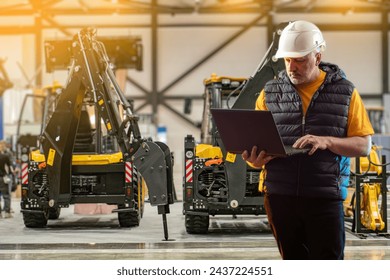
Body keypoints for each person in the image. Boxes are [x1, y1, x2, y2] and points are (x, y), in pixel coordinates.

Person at [242, 20, 374, 260]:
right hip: (279, 197)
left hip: (324, 197)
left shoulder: (345, 92)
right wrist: (254, 160)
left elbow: (364, 146)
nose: (292, 67)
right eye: (288, 60)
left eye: (300, 60)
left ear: (318, 56)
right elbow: (257, 151)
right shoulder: (269, 93)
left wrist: (327, 142)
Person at [0, 140, 14, 218]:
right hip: (3, 178)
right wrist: (12, 173)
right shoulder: (5, 156)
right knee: (6, 196)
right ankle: (7, 212)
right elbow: (10, 167)